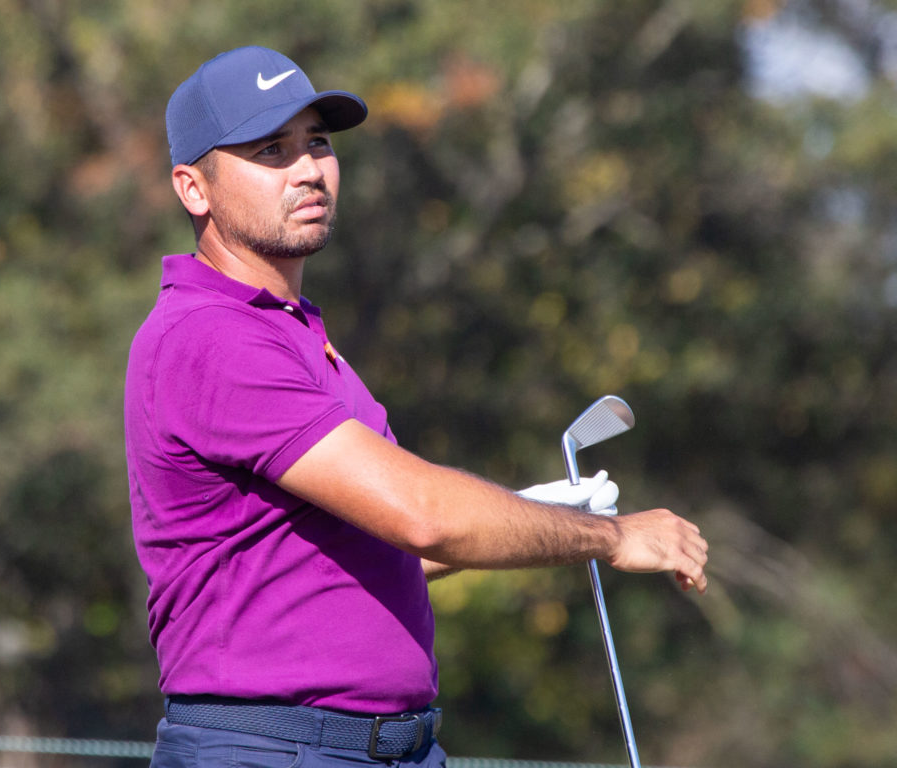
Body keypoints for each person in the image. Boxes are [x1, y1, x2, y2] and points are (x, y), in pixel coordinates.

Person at [124, 45, 708, 768]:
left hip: (382, 748)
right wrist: (610, 536)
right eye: (271, 150)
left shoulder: (294, 332)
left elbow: (372, 548)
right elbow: (424, 517)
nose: (308, 169)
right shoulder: (214, 338)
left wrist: (532, 511)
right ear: (193, 188)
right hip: (269, 747)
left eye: (318, 143)